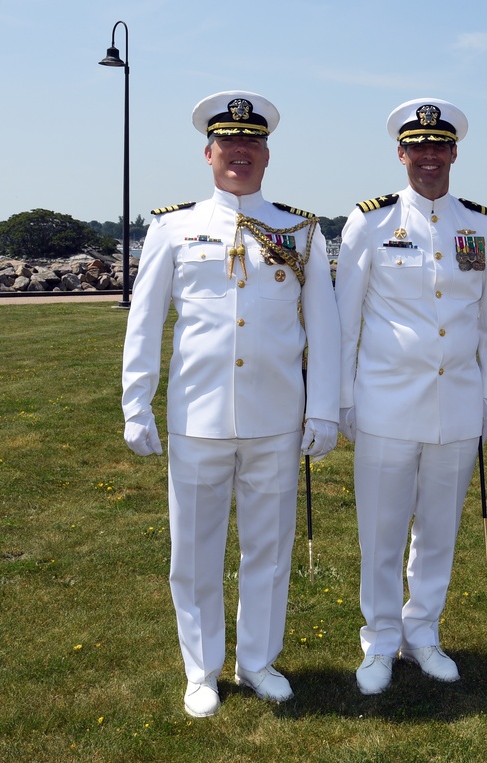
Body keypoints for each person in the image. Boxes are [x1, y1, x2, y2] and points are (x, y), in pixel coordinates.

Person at [121, 91, 340, 717]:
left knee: (268, 552)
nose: (239, 153)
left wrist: (323, 409)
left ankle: (257, 661)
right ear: (209, 152)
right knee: (192, 553)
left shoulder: (299, 230)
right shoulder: (173, 227)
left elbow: (322, 328)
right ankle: (201, 670)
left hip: (276, 418)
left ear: (266, 153)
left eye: (252, 143)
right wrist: (137, 403)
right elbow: (145, 319)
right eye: (228, 143)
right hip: (200, 416)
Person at [335, 98, 487, 695]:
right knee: (381, 531)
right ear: (401, 153)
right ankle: (380, 639)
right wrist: (343, 398)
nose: (429, 157)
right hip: (384, 401)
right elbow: (345, 320)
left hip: (456, 401)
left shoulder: (481, 226)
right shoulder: (371, 222)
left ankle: (423, 631)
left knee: (438, 529)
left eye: (440, 146)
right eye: (418, 147)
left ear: (454, 152)